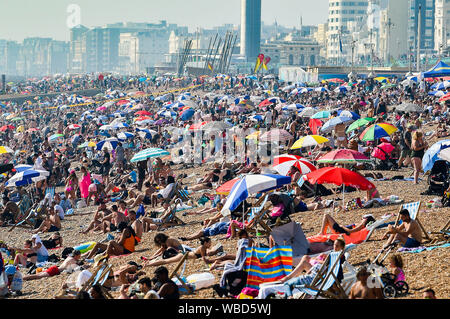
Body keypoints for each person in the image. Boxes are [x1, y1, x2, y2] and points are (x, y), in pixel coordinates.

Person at [143, 236, 222, 267]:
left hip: (185, 254)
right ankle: (148, 264)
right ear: (205, 243)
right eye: (209, 243)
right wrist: (216, 260)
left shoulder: (203, 248)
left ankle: (149, 263)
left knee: (165, 261)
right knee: (165, 261)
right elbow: (205, 259)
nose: (211, 244)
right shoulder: (202, 248)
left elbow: (206, 256)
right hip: (183, 255)